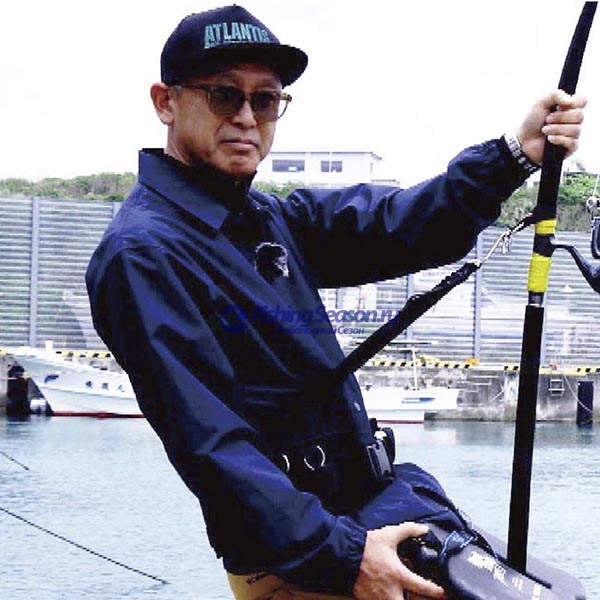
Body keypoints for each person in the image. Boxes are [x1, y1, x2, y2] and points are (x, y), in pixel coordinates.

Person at [85, 5, 586, 600]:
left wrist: (514, 154)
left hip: (373, 516)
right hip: (317, 559)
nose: (246, 117)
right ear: (165, 102)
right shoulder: (143, 254)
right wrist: (347, 558)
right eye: (223, 95)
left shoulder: (267, 218)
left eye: (265, 100)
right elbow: (211, 445)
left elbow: (401, 223)